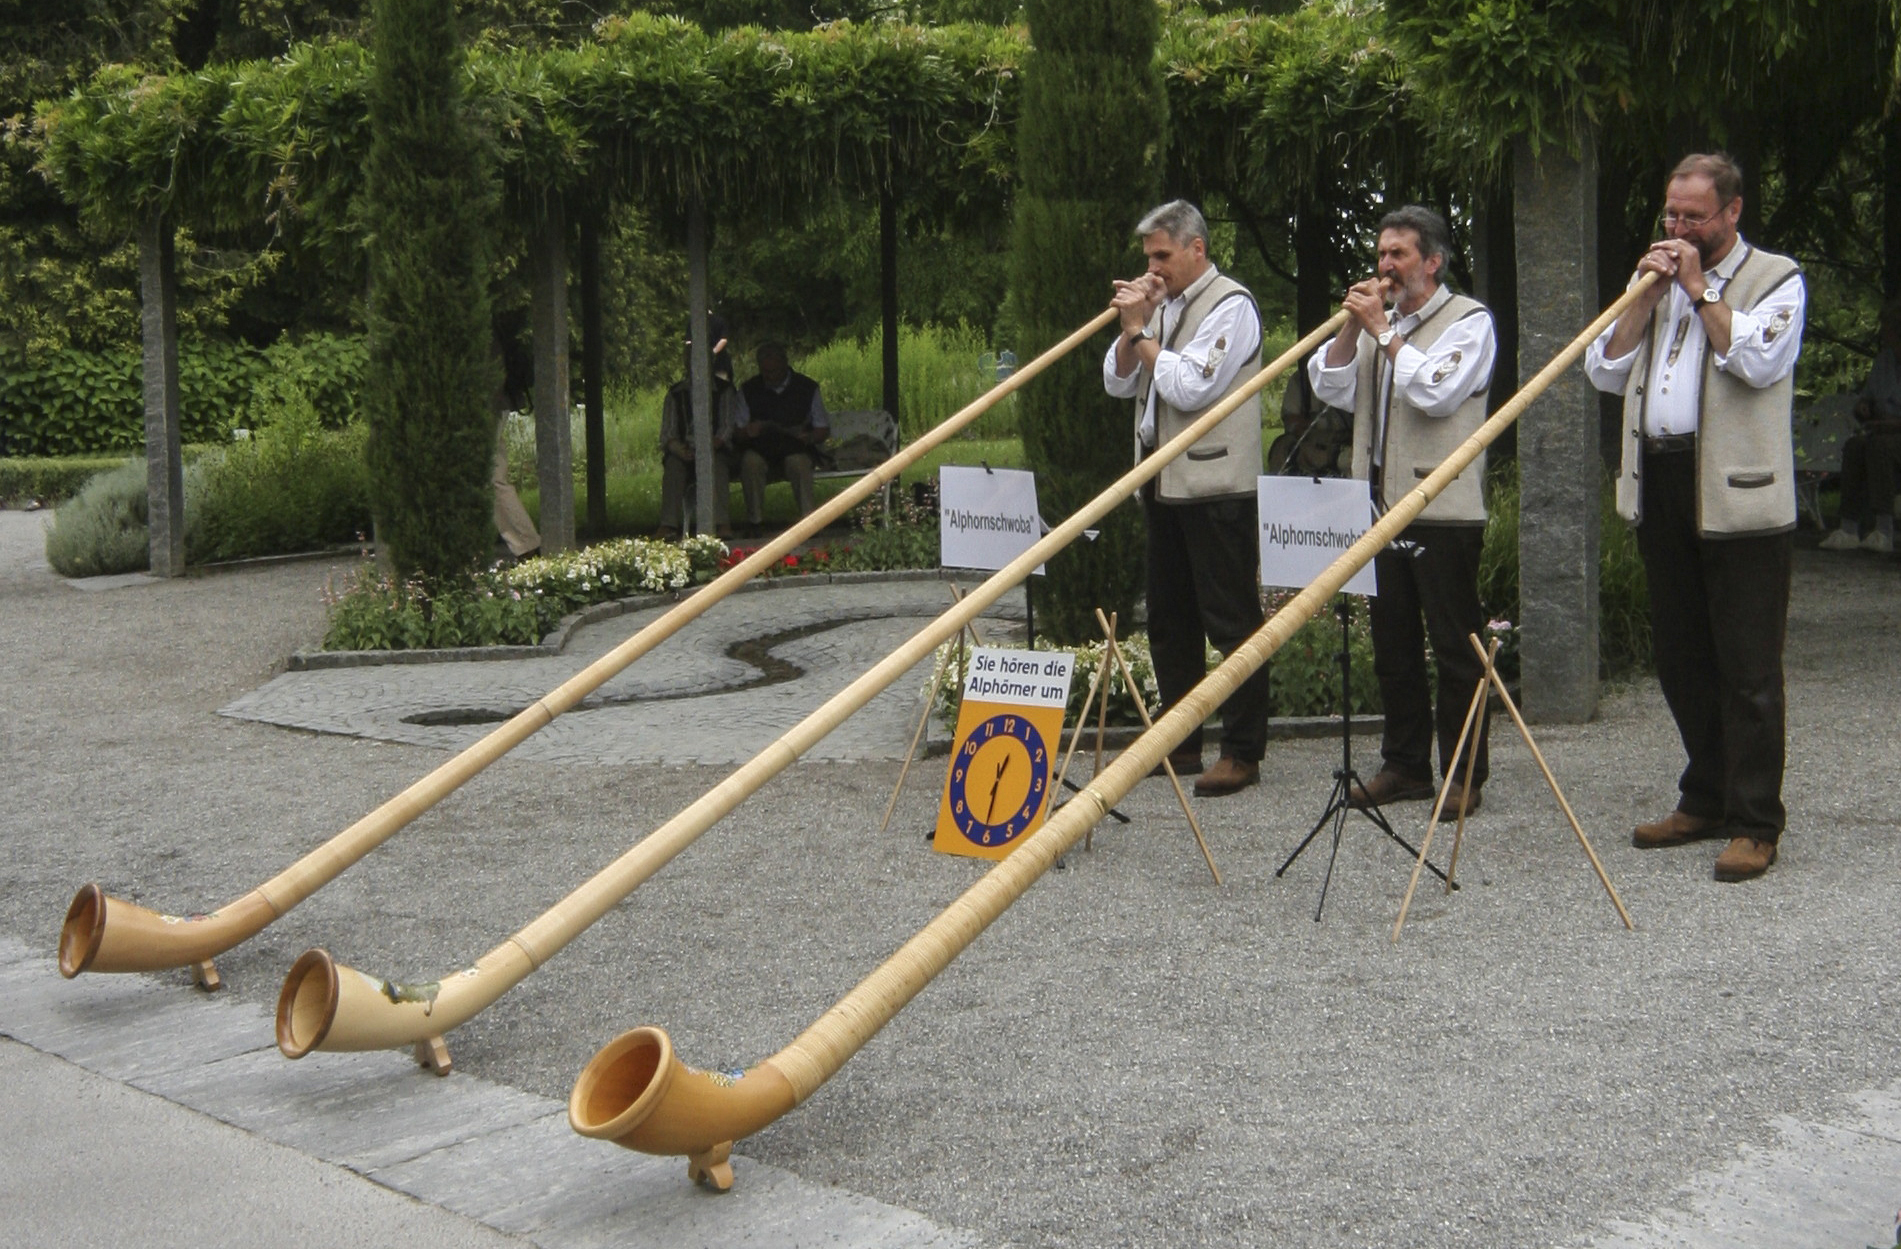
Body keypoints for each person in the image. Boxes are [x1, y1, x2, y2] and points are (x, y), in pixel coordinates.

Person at [1585, 152, 1806, 883]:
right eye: (1670, 214)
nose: (1677, 227)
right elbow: (1602, 368)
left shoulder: (1776, 278)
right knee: (1679, 656)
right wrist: (1646, 298)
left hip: (1740, 494)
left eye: (1693, 217)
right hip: (1662, 480)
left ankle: (1753, 821)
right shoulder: (1650, 279)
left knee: (1745, 668)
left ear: (1731, 213)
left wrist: (1699, 285)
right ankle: (1704, 794)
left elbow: (1757, 362)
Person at [1307, 205, 1498, 821]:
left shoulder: (1469, 322)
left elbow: (1437, 393)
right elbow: (1329, 386)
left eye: (1400, 255)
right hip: (1381, 509)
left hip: (1443, 508)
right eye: (1382, 253)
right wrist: (1349, 329)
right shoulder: (1375, 326)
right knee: (1393, 645)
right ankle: (1406, 765)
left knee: (1453, 647)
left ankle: (1464, 775)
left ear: (1433, 262)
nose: (1385, 266)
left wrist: (1383, 335)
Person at [1101, 199, 1269, 798]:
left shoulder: (1232, 306)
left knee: (1231, 621)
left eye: (1162, 256)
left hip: (1217, 486)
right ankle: (1182, 740)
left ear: (1197, 248)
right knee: (1171, 620)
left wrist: (1140, 331)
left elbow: (1191, 386)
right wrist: (1134, 331)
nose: (1153, 267)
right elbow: (1118, 380)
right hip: (1163, 480)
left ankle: (1244, 750)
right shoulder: (1164, 306)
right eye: (1149, 257)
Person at [1817, 301, 1901, 553]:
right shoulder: (1884, 361)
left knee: (1880, 446)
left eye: (1888, 330)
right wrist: (1863, 406)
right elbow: (1869, 398)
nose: (1883, 335)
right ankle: (1849, 528)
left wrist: (1889, 425)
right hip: (1881, 430)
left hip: (1893, 435)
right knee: (1855, 445)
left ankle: (1885, 530)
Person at [657, 321, 743, 540]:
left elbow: (727, 426)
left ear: (711, 362)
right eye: (690, 360)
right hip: (685, 450)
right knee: (673, 466)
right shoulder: (675, 393)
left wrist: (711, 446)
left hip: (716, 448)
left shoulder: (725, 391)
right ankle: (668, 525)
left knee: (717, 466)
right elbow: (667, 433)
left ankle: (721, 523)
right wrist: (680, 450)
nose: (695, 365)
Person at [737, 341, 829, 534]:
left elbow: (822, 429)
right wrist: (748, 431)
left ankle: (809, 521)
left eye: (774, 371)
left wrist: (809, 437)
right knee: (749, 462)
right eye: (765, 372)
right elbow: (738, 431)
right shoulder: (748, 389)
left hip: (796, 447)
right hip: (761, 448)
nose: (770, 376)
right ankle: (755, 523)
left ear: (785, 364)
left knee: (800, 463)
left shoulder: (807, 387)